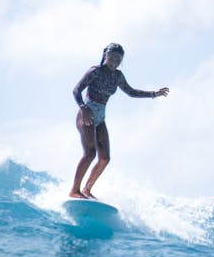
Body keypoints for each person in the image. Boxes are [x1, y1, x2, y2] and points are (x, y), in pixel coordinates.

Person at [69, 43, 169, 199]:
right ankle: (75, 190)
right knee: (90, 153)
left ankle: (87, 189)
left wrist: (154, 94)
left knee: (105, 158)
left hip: (101, 117)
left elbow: (131, 92)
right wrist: (83, 107)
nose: (115, 60)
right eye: (112, 56)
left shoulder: (118, 76)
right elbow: (76, 90)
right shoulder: (95, 71)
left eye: (118, 58)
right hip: (86, 114)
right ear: (105, 55)